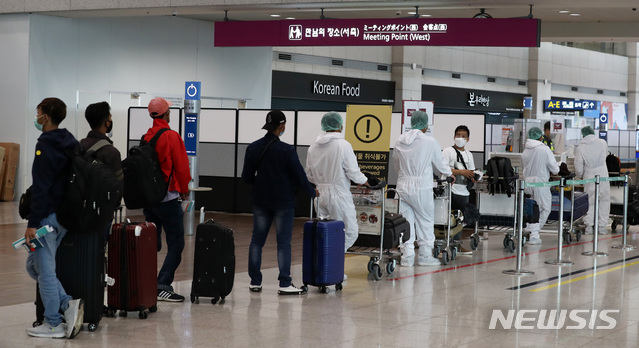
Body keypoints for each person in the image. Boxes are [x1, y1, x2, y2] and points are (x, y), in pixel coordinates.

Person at [25, 97, 84, 339]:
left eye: (38, 112)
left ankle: (53, 323)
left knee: (45, 270)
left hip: (46, 219)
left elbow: (41, 188)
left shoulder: (46, 145)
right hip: (62, 217)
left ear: (45, 116)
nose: (36, 117)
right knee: (34, 266)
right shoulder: (69, 142)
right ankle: (67, 304)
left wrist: (32, 223)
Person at [241, 110, 318, 295]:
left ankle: (255, 282)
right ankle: (284, 283)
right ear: (282, 127)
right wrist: (311, 192)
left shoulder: (253, 147)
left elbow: (246, 178)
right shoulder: (287, 150)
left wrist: (261, 184)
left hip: (260, 201)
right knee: (283, 243)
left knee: (256, 241)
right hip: (283, 202)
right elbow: (299, 175)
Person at [142, 97, 192, 302]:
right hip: (168, 199)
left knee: (151, 243)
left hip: (149, 199)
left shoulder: (146, 136)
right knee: (177, 244)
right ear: (166, 113)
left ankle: (144, 282)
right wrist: (185, 189)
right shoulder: (171, 136)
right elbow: (181, 166)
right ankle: (163, 284)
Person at [305, 112, 369, 260]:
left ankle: (323, 266)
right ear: (340, 126)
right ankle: (332, 265)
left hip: (319, 194)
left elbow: (309, 175)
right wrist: (366, 181)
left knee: (324, 231)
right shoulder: (343, 145)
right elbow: (353, 173)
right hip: (338, 194)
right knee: (350, 232)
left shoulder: (312, 147)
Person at [393, 111, 454, 266]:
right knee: (425, 221)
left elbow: (396, 164)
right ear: (426, 125)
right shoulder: (430, 142)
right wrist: (449, 174)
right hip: (421, 187)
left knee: (405, 222)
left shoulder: (400, 140)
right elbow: (440, 164)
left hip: (402, 186)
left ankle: (407, 257)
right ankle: (425, 256)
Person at [80, 101, 123, 241]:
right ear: (106, 123)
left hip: (80, 210)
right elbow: (119, 186)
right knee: (99, 249)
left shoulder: (79, 146)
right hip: (102, 213)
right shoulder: (111, 152)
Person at [441, 125, 476, 255]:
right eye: (458, 135)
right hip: (450, 189)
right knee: (447, 218)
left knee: (460, 219)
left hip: (464, 190)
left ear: (468, 139)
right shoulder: (447, 151)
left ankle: (456, 244)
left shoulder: (469, 154)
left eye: (463, 136)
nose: (460, 138)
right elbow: (443, 168)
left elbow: (471, 171)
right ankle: (444, 244)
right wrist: (461, 172)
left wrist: (473, 176)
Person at [522, 127, 560, 245]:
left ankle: (528, 230)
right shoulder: (544, 149)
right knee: (545, 208)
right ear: (540, 137)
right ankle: (534, 234)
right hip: (541, 183)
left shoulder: (525, 151)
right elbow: (554, 169)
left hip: (528, 182)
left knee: (531, 209)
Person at [574, 126, 610, 235]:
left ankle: (589, 227)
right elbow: (606, 154)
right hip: (603, 174)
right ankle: (602, 227)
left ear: (583, 135)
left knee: (589, 201)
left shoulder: (581, 147)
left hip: (589, 176)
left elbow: (578, 165)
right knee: (604, 200)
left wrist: (580, 176)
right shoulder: (602, 142)